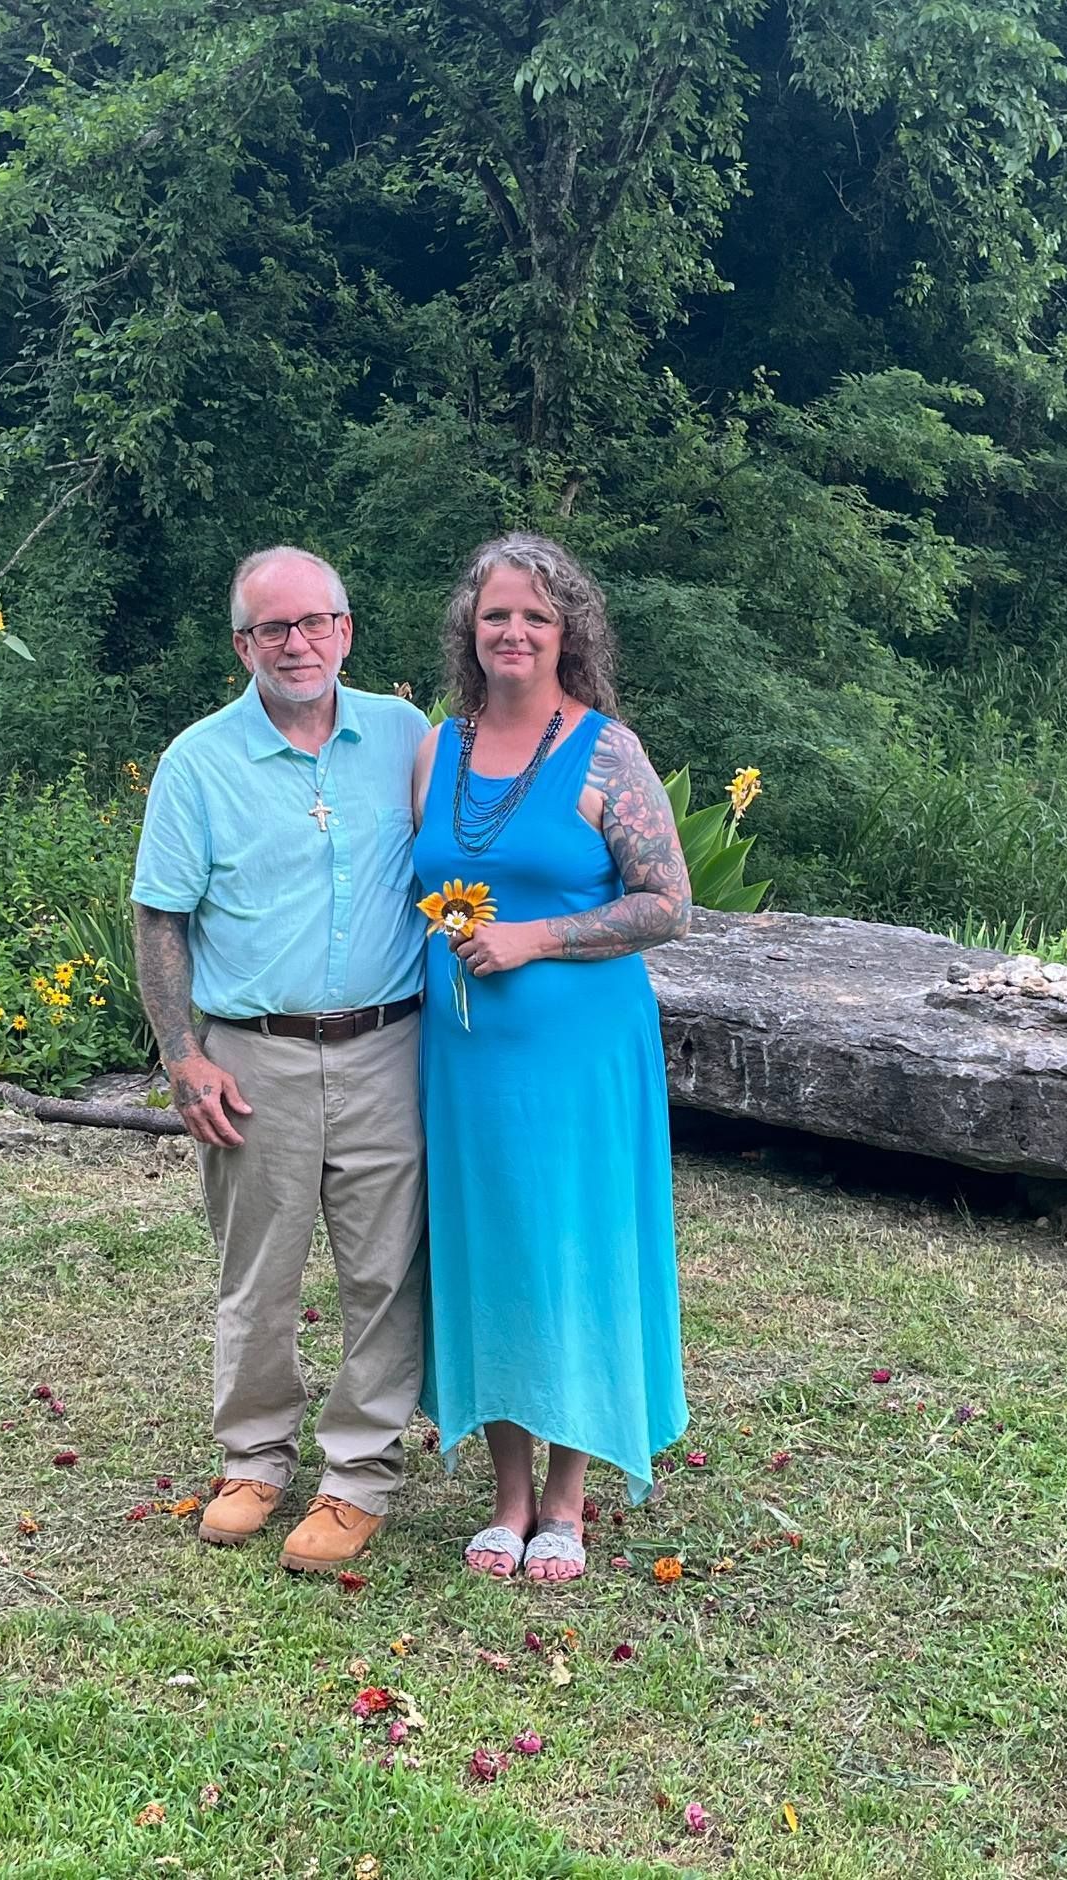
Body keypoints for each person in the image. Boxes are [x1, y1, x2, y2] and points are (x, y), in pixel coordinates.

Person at [132, 546, 429, 1572]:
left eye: (314, 623)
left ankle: (357, 1474)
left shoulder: (403, 737)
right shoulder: (198, 761)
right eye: (272, 628)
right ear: (240, 644)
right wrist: (182, 1055)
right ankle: (254, 1456)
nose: (295, 643)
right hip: (251, 1053)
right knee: (256, 1269)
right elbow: (160, 917)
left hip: (391, 1043)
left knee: (385, 1271)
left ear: (346, 630)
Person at [411, 533, 692, 1584]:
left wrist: (536, 936)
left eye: (534, 613)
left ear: (567, 627)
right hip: (466, 1058)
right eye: (495, 615)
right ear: (468, 632)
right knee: (491, 1251)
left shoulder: (606, 750)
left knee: (574, 1247)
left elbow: (668, 904)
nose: (513, 631)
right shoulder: (438, 747)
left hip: (579, 1054)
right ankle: (506, 1493)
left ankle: (567, 1500)